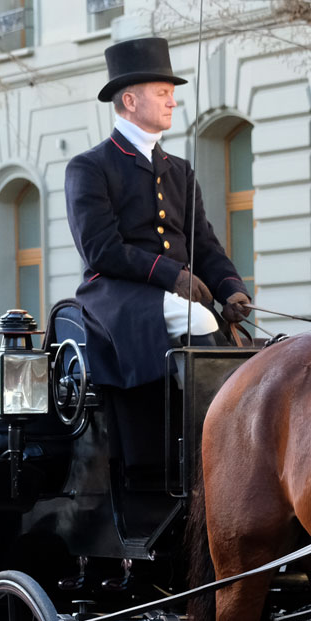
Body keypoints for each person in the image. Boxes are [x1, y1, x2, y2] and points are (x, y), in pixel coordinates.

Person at [64, 36, 252, 473]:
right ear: (130, 100)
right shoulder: (91, 167)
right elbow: (101, 250)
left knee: (231, 331)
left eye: (172, 95)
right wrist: (171, 276)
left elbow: (203, 244)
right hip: (114, 296)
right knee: (200, 319)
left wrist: (231, 288)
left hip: (175, 294)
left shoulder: (180, 171)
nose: (172, 103)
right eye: (163, 93)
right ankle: (218, 452)